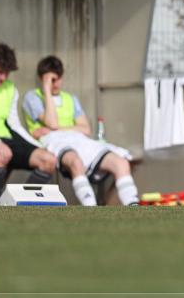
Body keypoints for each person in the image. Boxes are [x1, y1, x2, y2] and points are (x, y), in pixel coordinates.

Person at [22, 56, 140, 206]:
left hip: (79, 140)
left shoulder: (71, 99)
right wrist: (46, 90)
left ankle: (133, 206)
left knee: (121, 162)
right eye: (51, 79)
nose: (56, 83)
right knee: (75, 162)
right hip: (54, 143)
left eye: (58, 78)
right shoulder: (33, 97)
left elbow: (85, 129)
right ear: (42, 78)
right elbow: (51, 122)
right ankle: (90, 208)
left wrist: (59, 128)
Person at [0, 43, 56, 205]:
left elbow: (15, 125)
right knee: (1, 155)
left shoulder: (11, 89)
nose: (3, 78)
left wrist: (37, 145)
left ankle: (20, 208)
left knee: (48, 160)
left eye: (7, 73)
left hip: (4, 140)